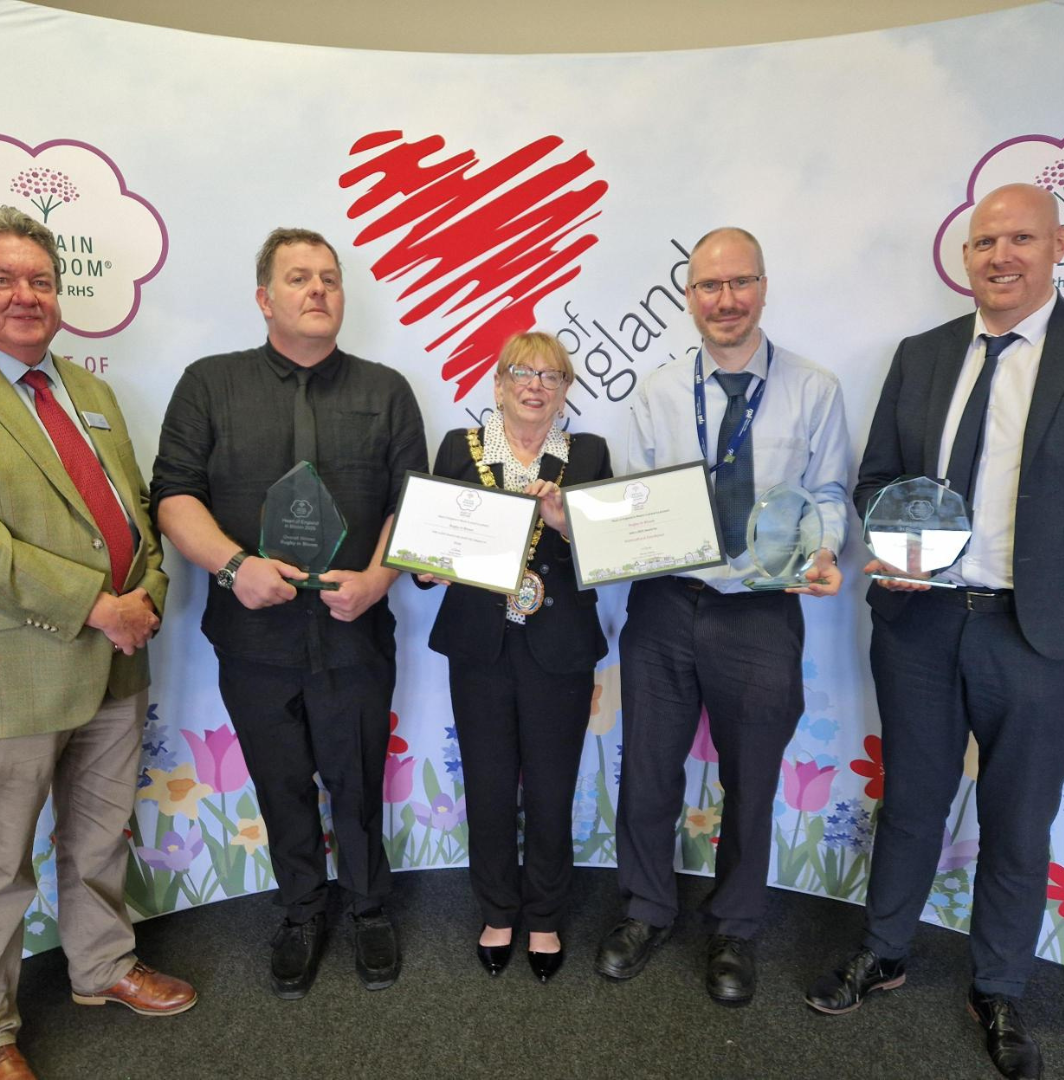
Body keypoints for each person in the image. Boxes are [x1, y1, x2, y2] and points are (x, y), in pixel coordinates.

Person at [806, 184, 1064, 1080]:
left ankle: (997, 986)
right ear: (965, 258)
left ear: (1054, 245)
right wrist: (890, 539)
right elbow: (878, 477)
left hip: (1033, 635)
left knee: (1017, 823)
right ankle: (884, 949)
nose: (1001, 256)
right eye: (985, 241)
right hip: (918, 622)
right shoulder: (922, 356)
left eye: (1021, 238)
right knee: (911, 799)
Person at [151, 227, 427, 999]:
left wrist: (377, 579)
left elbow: (416, 507)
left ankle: (371, 907)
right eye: (299, 278)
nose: (318, 291)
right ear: (264, 297)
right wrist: (233, 567)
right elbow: (173, 494)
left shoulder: (387, 390)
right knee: (281, 781)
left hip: (355, 632)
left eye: (330, 279)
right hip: (254, 635)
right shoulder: (209, 384)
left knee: (358, 778)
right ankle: (302, 911)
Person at [594, 227, 851, 1005]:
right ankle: (646, 908)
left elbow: (832, 494)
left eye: (740, 283)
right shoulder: (657, 391)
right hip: (667, 602)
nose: (726, 300)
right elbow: (631, 501)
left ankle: (735, 927)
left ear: (764, 287)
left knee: (752, 776)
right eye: (709, 287)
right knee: (647, 768)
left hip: (763, 612)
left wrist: (828, 548)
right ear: (689, 297)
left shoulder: (815, 389)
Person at [0, 205, 195, 1080]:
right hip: (18, 668)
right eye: (3, 279)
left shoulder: (90, 390)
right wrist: (95, 604)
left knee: (102, 833)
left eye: (40, 279)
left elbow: (137, 514)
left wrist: (145, 591)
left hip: (119, 657)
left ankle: (101, 967)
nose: (26, 295)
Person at [419, 332, 610, 983]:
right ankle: (498, 910)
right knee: (491, 784)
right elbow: (430, 545)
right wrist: (427, 570)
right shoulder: (458, 447)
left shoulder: (587, 454)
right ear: (497, 386)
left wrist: (564, 524)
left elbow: (611, 553)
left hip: (560, 646)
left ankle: (547, 916)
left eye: (551, 376)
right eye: (522, 373)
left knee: (553, 789)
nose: (536, 385)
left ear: (565, 391)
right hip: (481, 645)